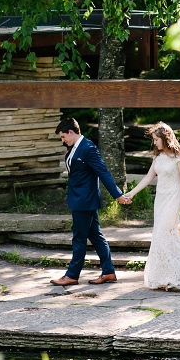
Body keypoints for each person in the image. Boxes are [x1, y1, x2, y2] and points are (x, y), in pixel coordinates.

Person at [50, 118, 131, 286]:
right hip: (81, 199)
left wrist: (118, 195)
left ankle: (72, 275)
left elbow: (103, 172)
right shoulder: (74, 148)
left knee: (79, 239)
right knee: (96, 237)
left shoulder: (88, 148)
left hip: (84, 200)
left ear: (71, 132)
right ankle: (108, 272)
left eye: (63, 136)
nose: (62, 140)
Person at [122, 122, 180, 291]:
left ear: (165, 138)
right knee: (161, 236)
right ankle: (164, 277)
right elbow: (148, 178)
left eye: (156, 139)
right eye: (154, 139)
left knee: (164, 234)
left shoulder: (179, 157)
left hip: (174, 199)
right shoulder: (158, 157)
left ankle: (177, 277)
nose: (154, 143)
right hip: (160, 200)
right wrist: (131, 193)